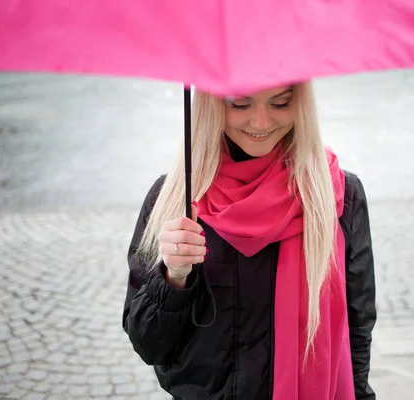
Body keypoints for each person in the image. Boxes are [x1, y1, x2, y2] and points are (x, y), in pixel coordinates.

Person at [122, 82, 377, 400]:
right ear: (211, 106)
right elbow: (148, 344)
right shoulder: (173, 198)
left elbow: (357, 327)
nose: (261, 122)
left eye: (280, 103)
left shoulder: (337, 194)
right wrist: (173, 277)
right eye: (240, 105)